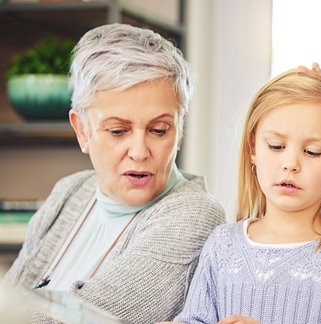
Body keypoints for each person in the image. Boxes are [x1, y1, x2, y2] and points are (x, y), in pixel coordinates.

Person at [2, 23, 226, 323]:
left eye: (159, 130)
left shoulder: (195, 215)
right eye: (118, 131)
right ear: (81, 129)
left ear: (180, 127)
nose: (139, 151)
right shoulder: (70, 190)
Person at [169, 63, 321, 323]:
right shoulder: (221, 244)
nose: (290, 164)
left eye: (312, 151)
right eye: (276, 146)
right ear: (253, 149)